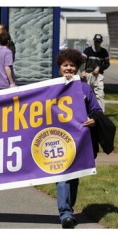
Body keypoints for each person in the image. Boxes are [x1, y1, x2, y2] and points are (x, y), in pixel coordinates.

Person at [55, 48, 103, 228]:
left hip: (79, 141)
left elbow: (97, 110)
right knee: (62, 175)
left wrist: (94, 119)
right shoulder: (51, 87)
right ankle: (65, 213)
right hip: (57, 140)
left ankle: (69, 208)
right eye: (65, 65)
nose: (68, 68)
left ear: (77, 67)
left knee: (74, 177)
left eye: (72, 65)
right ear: (60, 67)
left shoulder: (84, 88)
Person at [81, 34, 110, 111]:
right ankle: (85, 112)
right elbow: (81, 61)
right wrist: (82, 71)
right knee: (86, 94)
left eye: (99, 42)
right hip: (88, 74)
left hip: (98, 75)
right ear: (94, 41)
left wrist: (99, 68)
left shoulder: (104, 52)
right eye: (96, 42)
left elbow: (107, 63)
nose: (97, 43)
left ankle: (100, 114)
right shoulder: (87, 50)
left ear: (101, 42)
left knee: (100, 94)